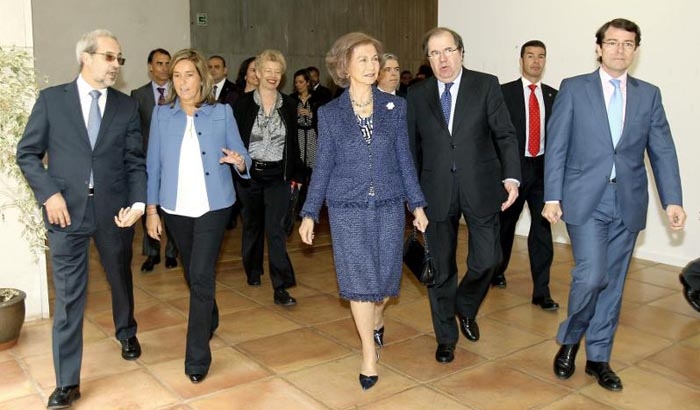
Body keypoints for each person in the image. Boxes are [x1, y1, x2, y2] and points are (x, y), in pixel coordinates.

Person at [543, 18, 686, 392]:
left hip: (628, 200)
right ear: (598, 48)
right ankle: (571, 339)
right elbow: (556, 146)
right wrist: (552, 196)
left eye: (627, 43)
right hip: (584, 199)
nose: (619, 49)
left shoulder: (648, 95)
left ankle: (599, 358)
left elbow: (663, 150)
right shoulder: (574, 88)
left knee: (613, 284)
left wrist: (672, 200)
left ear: (635, 50)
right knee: (592, 275)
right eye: (612, 42)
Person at [16, 29, 146, 409]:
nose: (116, 65)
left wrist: (138, 204)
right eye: (109, 57)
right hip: (65, 212)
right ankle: (67, 382)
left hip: (114, 210)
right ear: (85, 57)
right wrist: (49, 194)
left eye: (120, 58)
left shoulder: (126, 106)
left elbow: (134, 161)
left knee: (119, 274)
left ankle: (126, 330)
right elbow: (27, 153)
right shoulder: (52, 101)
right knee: (69, 297)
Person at [299, 32, 428, 391]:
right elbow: (323, 165)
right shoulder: (330, 114)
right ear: (345, 66)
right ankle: (369, 354)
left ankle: (378, 317)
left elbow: (405, 160)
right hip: (347, 208)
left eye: (375, 59)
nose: (373, 66)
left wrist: (416, 204)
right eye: (364, 60)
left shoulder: (395, 107)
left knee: (384, 288)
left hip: (388, 206)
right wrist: (310, 212)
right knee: (358, 285)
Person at [406, 27, 521, 364]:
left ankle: (465, 305)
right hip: (435, 191)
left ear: (461, 52)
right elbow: (411, 149)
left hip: (481, 186)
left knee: (488, 259)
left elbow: (505, 134)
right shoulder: (417, 94)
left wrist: (511, 177)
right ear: (428, 59)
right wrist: (414, 198)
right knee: (440, 268)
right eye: (434, 53)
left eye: (448, 51)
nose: (442, 59)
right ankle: (446, 337)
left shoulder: (485, 85)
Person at [146, 48, 251, 384]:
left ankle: (196, 357)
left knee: (202, 275)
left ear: (201, 78)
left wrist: (240, 161)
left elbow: (242, 153)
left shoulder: (221, 112)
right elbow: (153, 166)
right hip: (175, 208)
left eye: (188, 75)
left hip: (213, 206)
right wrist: (151, 210)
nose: (182, 82)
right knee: (194, 272)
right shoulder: (161, 115)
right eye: (176, 76)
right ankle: (211, 314)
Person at [492, 40, 559, 311]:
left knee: (542, 230)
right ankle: (497, 270)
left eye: (541, 56)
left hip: (543, 171)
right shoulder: (503, 93)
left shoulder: (554, 96)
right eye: (530, 56)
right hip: (513, 172)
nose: (536, 61)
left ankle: (541, 291)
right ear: (521, 60)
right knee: (505, 225)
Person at [233, 49, 304, 304]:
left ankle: (280, 286)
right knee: (252, 226)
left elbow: (294, 145)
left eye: (278, 72)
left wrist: (297, 175)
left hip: (278, 176)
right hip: (250, 176)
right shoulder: (242, 104)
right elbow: (234, 140)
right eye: (268, 71)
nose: (273, 76)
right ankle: (253, 270)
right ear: (258, 73)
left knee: (276, 230)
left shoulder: (290, 105)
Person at [131, 48, 179, 272]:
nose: (164, 68)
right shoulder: (138, 95)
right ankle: (152, 253)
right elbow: (135, 130)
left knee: (172, 208)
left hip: (174, 161)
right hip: (148, 161)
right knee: (150, 206)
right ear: (150, 67)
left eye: (168, 63)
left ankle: (172, 252)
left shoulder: (180, 92)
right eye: (160, 63)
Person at [208, 55, 242, 230]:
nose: (213, 70)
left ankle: (229, 216)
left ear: (225, 70)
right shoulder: (201, 90)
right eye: (210, 67)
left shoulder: (235, 91)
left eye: (217, 66)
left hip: (229, 147)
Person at [290, 68, 320, 194]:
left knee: (312, 169)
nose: (298, 85)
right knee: (298, 168)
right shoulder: (291, 99)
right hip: (298, 136)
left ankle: (311, 195)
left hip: (312, 136)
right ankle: (297, 197)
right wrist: (295, 114)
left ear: (308, 83)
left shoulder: (317, 99)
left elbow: (322, 119)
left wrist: (311, 114)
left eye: (301, 82)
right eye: (296, 82)